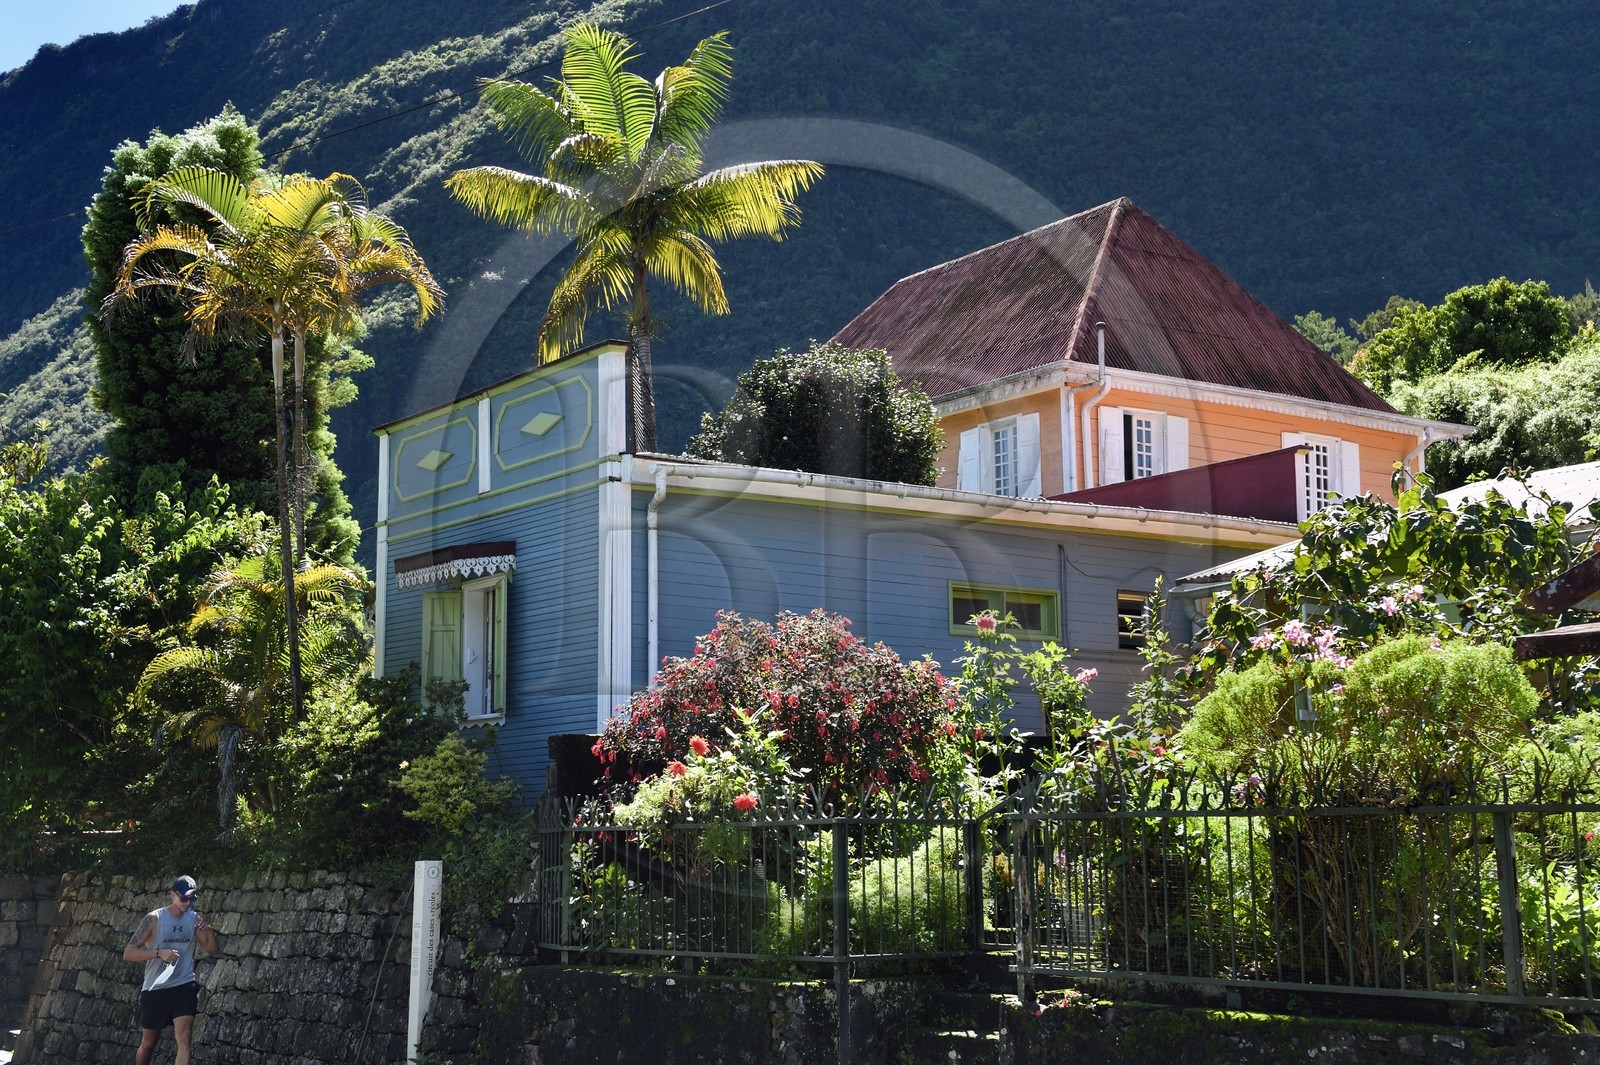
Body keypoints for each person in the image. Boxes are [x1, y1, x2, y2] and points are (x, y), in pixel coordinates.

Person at [123, 875, 220, 1065]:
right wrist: (158, 953)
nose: (187, 902)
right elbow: (129, 953)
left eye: (191, 898)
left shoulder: (193, 918)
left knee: (184, 1038)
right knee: (149, 1043)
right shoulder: (153, 919)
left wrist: (207, 930)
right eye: (183, 898)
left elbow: (212, 949)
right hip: (155, 988)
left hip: (183, 985)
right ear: (172, 895)